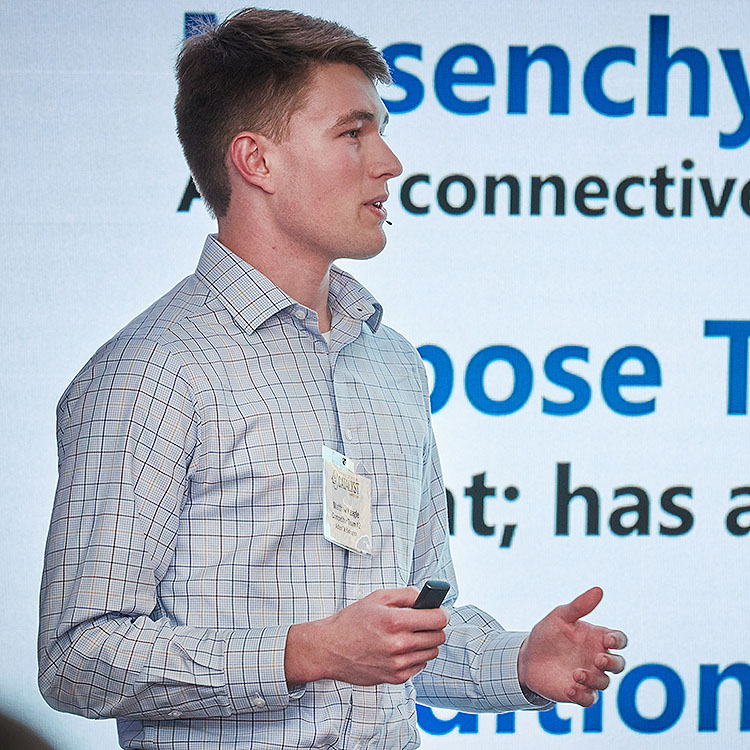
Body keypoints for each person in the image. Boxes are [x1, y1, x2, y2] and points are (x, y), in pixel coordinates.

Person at [38, 8, 627, 749]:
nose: (389, 162)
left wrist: (518, 661)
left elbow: (402, 637)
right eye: (354, 133)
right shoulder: (148, 373)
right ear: (256, 162)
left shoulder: (392, 362)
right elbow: (78, 658)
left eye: (379, 130)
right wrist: (302, 652)